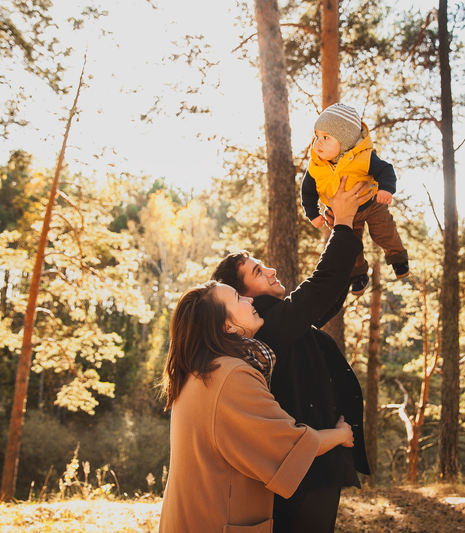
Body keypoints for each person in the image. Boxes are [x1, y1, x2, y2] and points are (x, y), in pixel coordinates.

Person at [212, 178, 370, 533]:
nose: (270, 270)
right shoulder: (264, 326)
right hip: (305, 473)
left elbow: (324, 300)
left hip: (315, 468)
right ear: (244, 297)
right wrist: (343, 226)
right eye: (257, 271)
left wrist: (350, 234)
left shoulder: (281, 323)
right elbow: (318, 290)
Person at [158, 280, 355, 533]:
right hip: (216, 521)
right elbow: (290, 445)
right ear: (228, 326)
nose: (250, 299)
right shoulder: (232, 375)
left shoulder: (199, 370)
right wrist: (340, 435)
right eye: (238, 298)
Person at [301, 102, 410, 295]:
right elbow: (307, 191)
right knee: (348, 246)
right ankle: (358, 275)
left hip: (372, 205)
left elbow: (385, 170)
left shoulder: (364, 158)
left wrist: (386, 189)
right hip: (340, 214)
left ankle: (398, 258)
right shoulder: (316, 166)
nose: (318, 142)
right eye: (317, 136)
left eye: (326, 137)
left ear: (345, 142)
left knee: (384, 231)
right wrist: (313, 214)